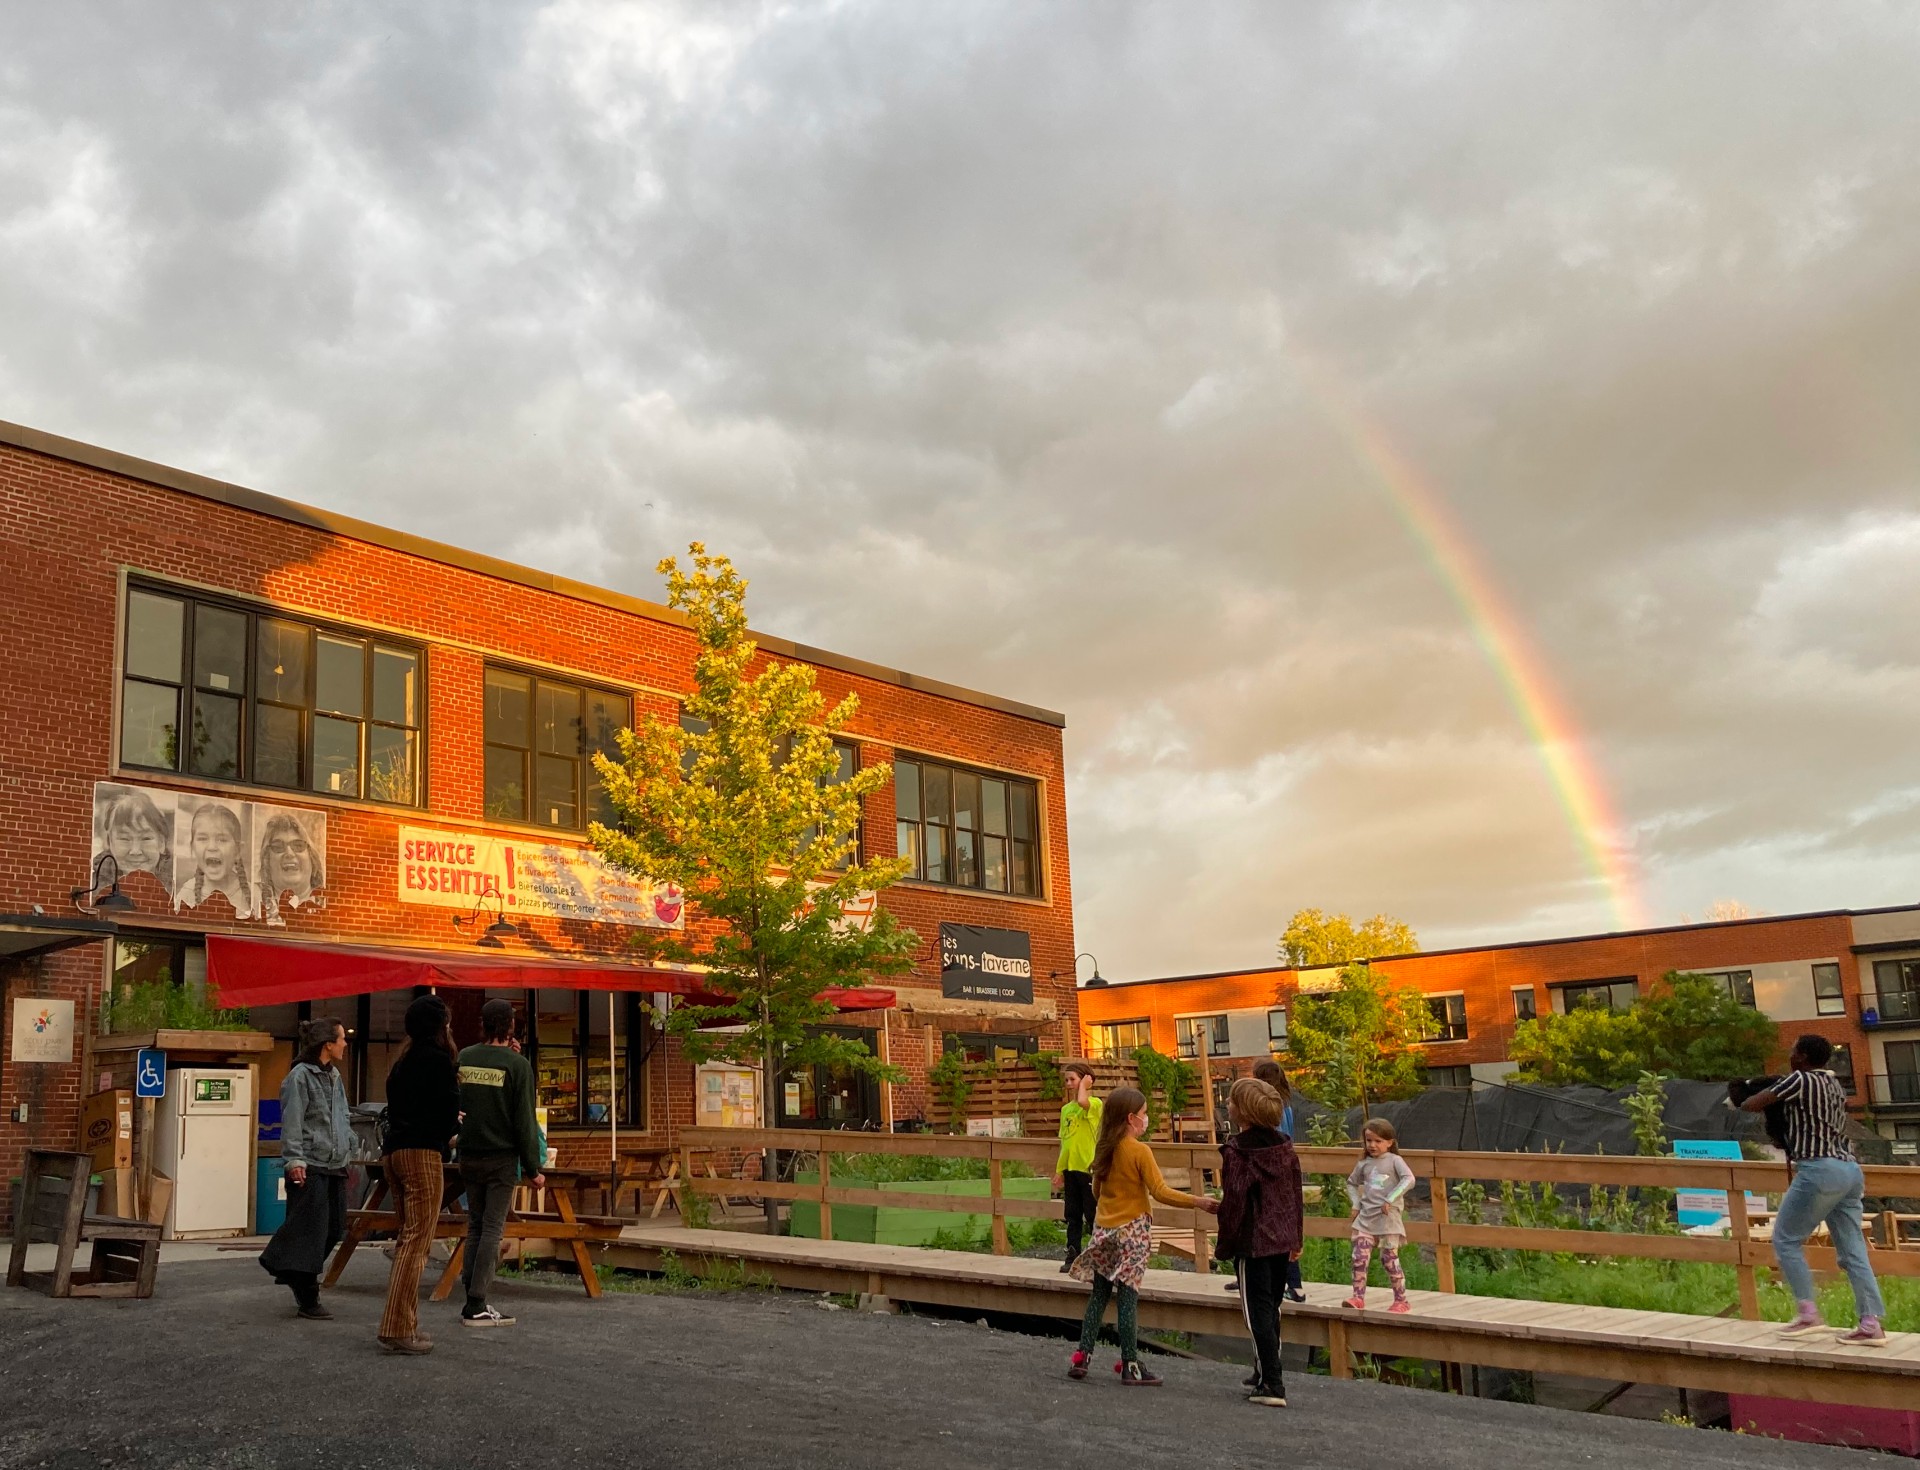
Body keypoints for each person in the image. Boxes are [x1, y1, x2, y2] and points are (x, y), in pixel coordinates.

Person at [1738, 1034, 1887, 1344]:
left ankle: (1808, 1314)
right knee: (1853, 1250)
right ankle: (1870, 1322)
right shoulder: (1834, 1085)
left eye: (1794, 1050)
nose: (1790, 1055)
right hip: (1849, 1169)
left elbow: (1753, 1104)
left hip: (1819, 1169)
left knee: (1785, 1239)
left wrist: (1745, 1091)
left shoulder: (1799, 1081)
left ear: (1803, 1057)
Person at [1066, 1086, 1219, 1386]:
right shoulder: (1139, 1151)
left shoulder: (1104, 1148)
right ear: (1131, 1118)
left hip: (1104, 1230)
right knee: (1127, 1297)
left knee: (1098, 1295)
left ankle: (1082, 1356)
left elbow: (1096, 1191)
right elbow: (1160, 1191)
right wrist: (1199, 1202)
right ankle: (1131, 1365)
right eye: (1145, 1114)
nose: (1146, 1120)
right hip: (1132, 1231)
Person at [377, 996, 462, 1355]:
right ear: (440, 1026)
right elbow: (446, 1116)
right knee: (417, 1241)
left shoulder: (401, 1063)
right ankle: (397, 1327)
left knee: (406, 1240)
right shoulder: (440, 1062)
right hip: (422, 1154)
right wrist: (456, 1128)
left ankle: (405, 1324)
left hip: (393, 1152)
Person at [456, 998, 545, 1328]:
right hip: (501, 1159)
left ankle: (470, 1292)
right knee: (492, 1228)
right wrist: (533, 1169)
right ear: (510, 1026)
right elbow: (524, 1121)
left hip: (468, 1154)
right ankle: (477, 1301)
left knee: (475, 1226)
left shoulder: (464, 1057)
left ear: (482, 1023)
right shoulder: (517, 1066)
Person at [1217, 1077, 1304, 1408]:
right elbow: (1295, 1195)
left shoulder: (1238, 1152)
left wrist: (1225, 1245)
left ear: (1245, 1114)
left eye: (1232, 1101)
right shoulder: (1285, 1145)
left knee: (1256, 1313)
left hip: (1253, 1242)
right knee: (1272, 1307)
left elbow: (1235, 1202)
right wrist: (1297, 1236)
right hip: (1282, 1239)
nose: (1228, 1104)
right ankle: (1263, 1370)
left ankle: (1273, 1383)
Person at [259, 1017, 352, 1319]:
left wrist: (348, 1144)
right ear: (328, 1044)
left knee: (335, 1228)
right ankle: (307, 1295)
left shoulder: (334, 1075)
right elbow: (293, 1120)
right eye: (341, 1038)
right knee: (311, 1232)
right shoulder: (299, 1077)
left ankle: (292, 1270)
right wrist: (294, 1159)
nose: (345, 1044)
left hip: (335, 1162)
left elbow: (342, 1115)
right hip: (310, 1163)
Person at [1344, 1117, 1414, 1313]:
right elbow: (1351, 1183)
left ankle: (1401, 1299)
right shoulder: (1364, 1164)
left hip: (1388, 1220)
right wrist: (1356, 1203)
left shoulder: (1395, 1161)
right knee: (1359, 1257)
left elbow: (1409, 1179)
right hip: (1366, 1219)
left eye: (1378, 1141)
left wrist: (1391, 1198)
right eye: (1369, 1141)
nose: (1373, 1145)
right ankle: (1358, 1297)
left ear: (1389, 1142)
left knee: (1389, 1259)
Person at [1251, 1059, 1306, 1304]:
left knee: (1267, 1225)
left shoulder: (1271, 1107)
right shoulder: (1286, 1104)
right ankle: (1294, 1284)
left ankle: (1288, 1282)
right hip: (1284, 1166)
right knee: (1283, 1225)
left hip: (1271, 1169)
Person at [1052, 1060, 1102, 1272]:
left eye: (1073, 1080)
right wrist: (1058, 1170)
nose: (1069, 1084)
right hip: (1071, 1168)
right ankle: (1072, 1253)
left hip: (1087, 1168)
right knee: (1072, 1213)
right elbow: (1065, 1141)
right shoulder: (1066, 1110)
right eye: (1067, 1080)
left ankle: (1096, 1257)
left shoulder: (1095, 1104)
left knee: (1092, 1214)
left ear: (1085, 1081)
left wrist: (1085, 1086)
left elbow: (1083, 1101)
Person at [172, 801, 252, 918]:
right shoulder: (186, 894)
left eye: (222, 840)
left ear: (238, 850)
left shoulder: (253, 895)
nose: (212, 847)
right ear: (192, 847)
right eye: (203, 838)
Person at [96, 785, 173, 894]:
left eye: (146, 838)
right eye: (124, 839)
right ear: (110, 842)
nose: (135, 851)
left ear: (161, 843)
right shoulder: (92, 883)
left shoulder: (180, 888)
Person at [256, 811, 325, 926]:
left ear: (312, 857)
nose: (289, 853)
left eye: (298, 845)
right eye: (278, 847)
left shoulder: (329, 905)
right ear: (267, 860)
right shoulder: (253, 902)